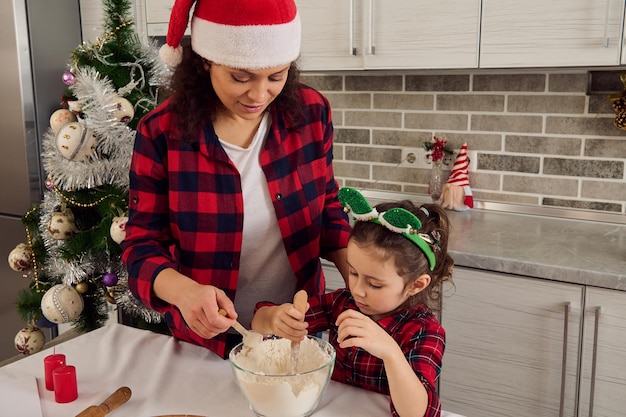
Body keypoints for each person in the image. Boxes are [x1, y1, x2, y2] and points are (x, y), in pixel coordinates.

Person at [120, 0, 351, 359]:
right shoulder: (162, 132)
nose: (259, 95)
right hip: (203, 344)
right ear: (205, 62)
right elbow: (141, 247)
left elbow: (327, 207)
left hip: (297, 330)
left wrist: (357, 267)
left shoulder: (311, 113)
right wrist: (184, 293)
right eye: (240, 77)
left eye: (277, 76)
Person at [251, 187, 454, 417]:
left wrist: (390, 351)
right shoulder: (342, 302)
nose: (357, 290)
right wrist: (274, 318)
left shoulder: (424, 331)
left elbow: (419, 413)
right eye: (353, 272)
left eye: (374, 284)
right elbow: (259, 322)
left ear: (416, 285)